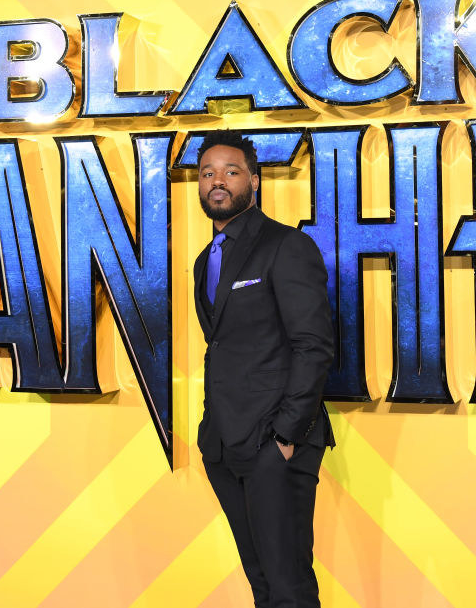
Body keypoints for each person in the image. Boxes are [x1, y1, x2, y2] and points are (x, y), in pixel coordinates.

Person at [193, 130, 335, 608]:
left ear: (253, 180)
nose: (218, 181)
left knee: (289, 584)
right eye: (208, 173)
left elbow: (313, 346)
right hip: (224, 444)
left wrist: (287, 436)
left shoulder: (286, 246)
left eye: (231, 172)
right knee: (262, 585)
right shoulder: (204, 261)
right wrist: (209, 432)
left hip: (275, 445)